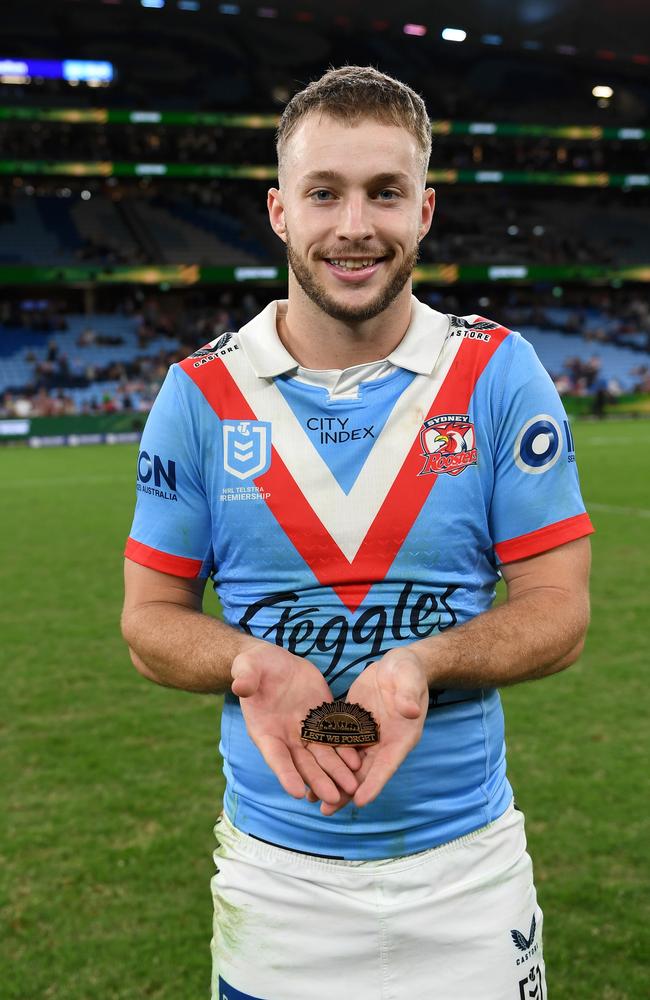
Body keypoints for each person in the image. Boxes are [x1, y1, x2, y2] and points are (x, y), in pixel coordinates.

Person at [121, 66, 593, 1000]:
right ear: (279, 212)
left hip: (468, 875)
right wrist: (250, 663)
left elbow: (559, 613)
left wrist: (425, 662)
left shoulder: (499, 373)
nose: (354, 226)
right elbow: (149, 622)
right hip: (275, 882)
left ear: (425, 210)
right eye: (323, 192)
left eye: (385, 192)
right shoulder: (200, 394)